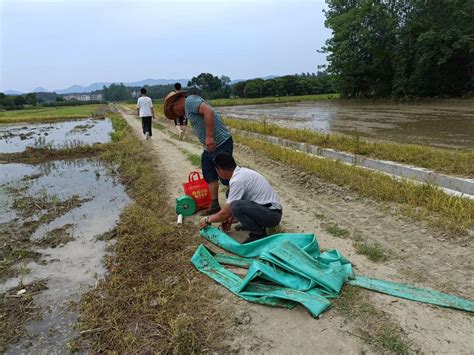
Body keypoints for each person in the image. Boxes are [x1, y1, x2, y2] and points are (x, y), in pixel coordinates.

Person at [163, 91, 233, 216]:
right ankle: (215, 204)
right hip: (209, 148)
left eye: (173, 111)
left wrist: (210, 137)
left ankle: (234, 209)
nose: (176, 113)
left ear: (174, 104)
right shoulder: (188, 110)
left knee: (226, 176)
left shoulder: (190, 101)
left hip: (221, 143)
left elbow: (208, 111)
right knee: (209, 173)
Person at [198, 153, 282, 244]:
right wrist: (230, 218)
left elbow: (226, 212)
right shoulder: (241, 173)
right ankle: (251, 225)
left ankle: (258, 234)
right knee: (230, 194)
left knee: (235, 206)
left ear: (221, 170)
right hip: (267, 210)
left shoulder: (237, 180)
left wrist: (207, 219)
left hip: (272, 215)